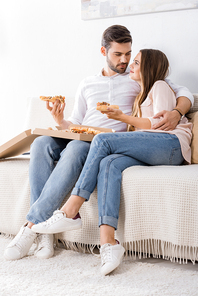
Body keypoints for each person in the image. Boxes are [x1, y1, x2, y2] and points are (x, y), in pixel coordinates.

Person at [4, 25, 193, 262]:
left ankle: (31, 227)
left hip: (104, 141)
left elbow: (181, 91)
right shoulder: (87, 83)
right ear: (104, 51)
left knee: (76, 148)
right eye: (118, 54)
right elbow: (75, 122)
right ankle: (45, 235)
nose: (125, 60)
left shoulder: (138, 78)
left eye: (128, 54)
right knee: (41, 143)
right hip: (81, 134)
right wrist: (59, 120)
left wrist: (177, 111)